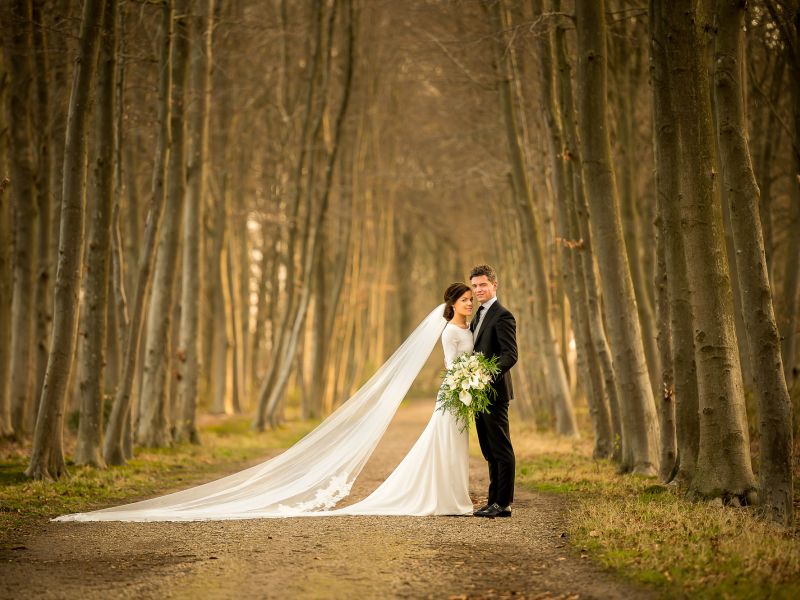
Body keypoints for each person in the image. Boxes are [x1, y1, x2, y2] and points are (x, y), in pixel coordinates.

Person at [55, 283, 482, 521]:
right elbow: (453, 365)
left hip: (459, 393)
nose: (469, 302)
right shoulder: (450, 331)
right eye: (464, 299)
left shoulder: (470, 324)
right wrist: (466, 379)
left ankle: (450, 497)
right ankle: (444, 499)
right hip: (453, 393)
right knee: (443, 444)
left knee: (448, 446)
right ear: (452, 304)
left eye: (471, 298)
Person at [469, 264, 517, 519]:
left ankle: (504, 504)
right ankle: (493, 501)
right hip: (477, 393)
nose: (478, 290)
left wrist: (487, 375)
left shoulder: (503, 315)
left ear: (494, 285)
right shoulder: (479, 315)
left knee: (501, 448)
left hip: (494, 392)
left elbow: (510, 355)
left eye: (483, 285)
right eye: (475, 286)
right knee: (488, 449)